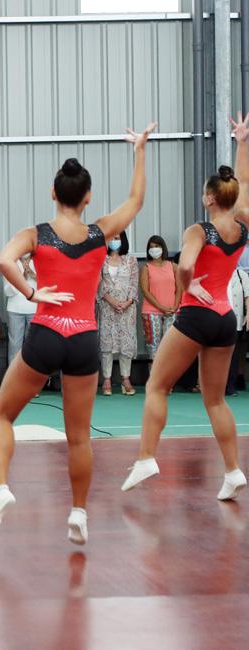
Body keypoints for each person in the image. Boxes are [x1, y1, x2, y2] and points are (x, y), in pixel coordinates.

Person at [0, 123, 156, 546]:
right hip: (83, 339)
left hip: (45, 331)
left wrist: (31, 290)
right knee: (79, 437)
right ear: (88, 197)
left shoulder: (36, 234)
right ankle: (78, 513)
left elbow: (4, 259)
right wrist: (139, 151)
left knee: (3, 415)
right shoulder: (100, 234)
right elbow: (136, 201)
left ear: (53, 194)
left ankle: (1, 487)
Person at [122, 115, 249, 500]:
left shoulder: (199, 230)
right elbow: (245, 185)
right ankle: (232, 470)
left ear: (210, 197)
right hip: (226, 318)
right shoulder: (243, 225)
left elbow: (187, 263)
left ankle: (146, 457)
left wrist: (186, 283)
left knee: (158, 385)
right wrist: (243, 142)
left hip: (196, 313)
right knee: (215, 399)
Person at [97, 231, 139, 396]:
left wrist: (127, 302)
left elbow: (134, 284)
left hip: (127, 308)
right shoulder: (101, 260)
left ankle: (125, 378)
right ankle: (107, 379)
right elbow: (98, 283)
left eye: (116, 238)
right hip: (107, 307)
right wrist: (111, 301)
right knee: (107, 343)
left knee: (126, 342)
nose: (114, 241)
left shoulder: (131, 260)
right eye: (111, 239)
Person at [139, 235, 180, 359]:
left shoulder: (173, 266)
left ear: (163, 248)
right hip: (151, 312)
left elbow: (180, 289)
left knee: (170, 347)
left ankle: (169, 378)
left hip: (172, 311)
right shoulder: (146, 268)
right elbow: (145, 291)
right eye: (151, 247)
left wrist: (175, 306)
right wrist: (161, 307)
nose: (154, 249)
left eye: (157, 246)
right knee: (153, 348)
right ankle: (154, 377)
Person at [3, 253, 37, 365]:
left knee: (34, 344)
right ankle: (13, 376)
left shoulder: (40, 261)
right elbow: (7, 291)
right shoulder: (9, 262)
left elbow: (48, 284)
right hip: (15, 309)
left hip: (35, 308)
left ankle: (32, 375)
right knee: (14, 345)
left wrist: (32, 274)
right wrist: (21, 276)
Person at [226, 265, 249, 395]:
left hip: (236, 321)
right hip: (218, 320)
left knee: (233, 355)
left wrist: (248, 315)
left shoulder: (241, 275)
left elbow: (248, 297)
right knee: (218, 355)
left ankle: (230, 386)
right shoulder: (215, 274)